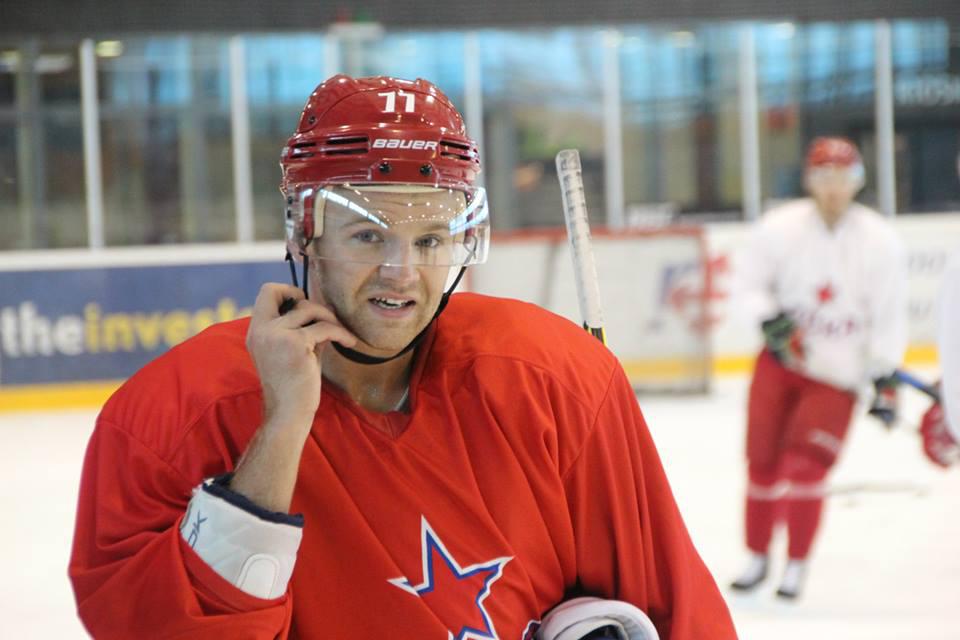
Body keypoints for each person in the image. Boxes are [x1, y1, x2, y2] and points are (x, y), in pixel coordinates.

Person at [68, 75, 737, 639]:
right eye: (367, 235)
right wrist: (278, 434)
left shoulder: (552, 378)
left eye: (430, 240)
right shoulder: (168, 419)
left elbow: (678, 609)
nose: (402, 273)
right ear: (305, 230)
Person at [728, 136, 908, 600]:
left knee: (806, 470)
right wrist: (770, 318)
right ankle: (757, 557)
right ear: (810, 180)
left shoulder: (880, 241)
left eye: (843, 178)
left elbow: (889, 316)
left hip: (836, 375)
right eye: (823, 177)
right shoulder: (778, 228)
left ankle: (796, 566)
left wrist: (885, 376)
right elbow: (745, 285)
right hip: (780, 365)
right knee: (763, 466)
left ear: (857, 181)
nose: (833, 188)